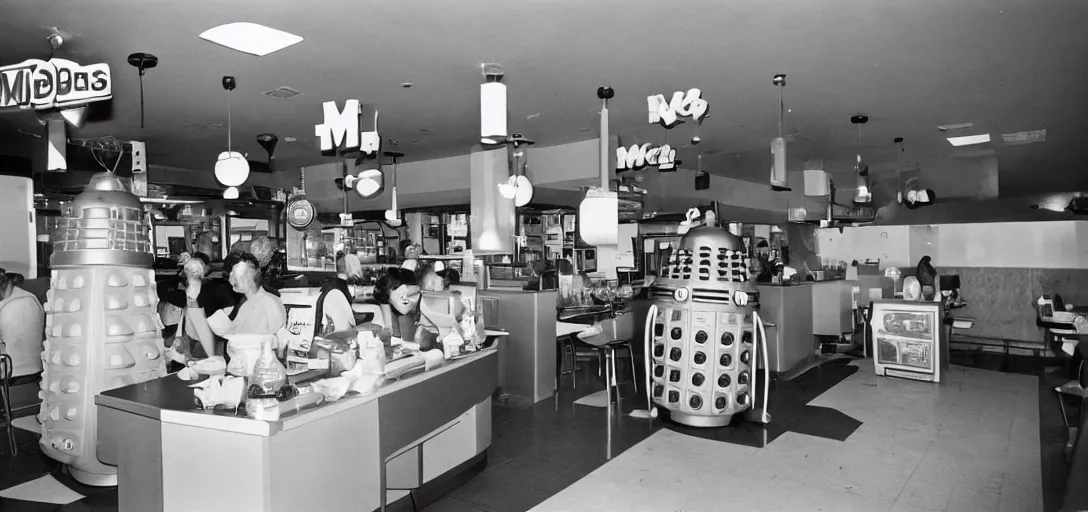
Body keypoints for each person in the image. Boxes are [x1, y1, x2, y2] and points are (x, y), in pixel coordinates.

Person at [183, 253, 286, 358]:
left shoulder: (270, 303)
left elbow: (281, 346)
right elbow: (233, 336)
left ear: (254, 274)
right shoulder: (244, 306)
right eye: (231, 273)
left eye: (237, 272)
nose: (231, 279)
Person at [0, 268, 44, 380]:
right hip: (27, 376)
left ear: (11, 279)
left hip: (13, 379)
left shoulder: (21, 304)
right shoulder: (28, 300)